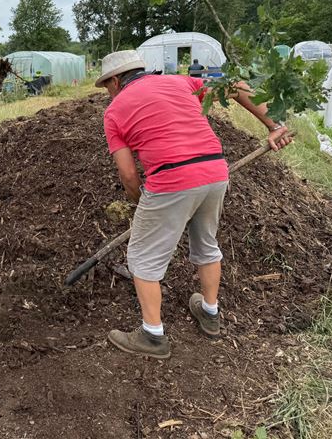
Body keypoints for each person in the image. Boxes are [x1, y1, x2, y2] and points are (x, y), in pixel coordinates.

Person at [96, 50, 292, 359]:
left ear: (116, 80)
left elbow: (129, 175)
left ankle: (152, 336)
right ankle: (210, 312)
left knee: (142, 259)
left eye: (106, 86)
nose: (108, 92)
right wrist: (274, 125)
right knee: (206, 242)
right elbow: (236, 85)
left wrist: (141, 202)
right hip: (215, 172)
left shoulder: (114, 111)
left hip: (171, 179)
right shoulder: (180, 82)